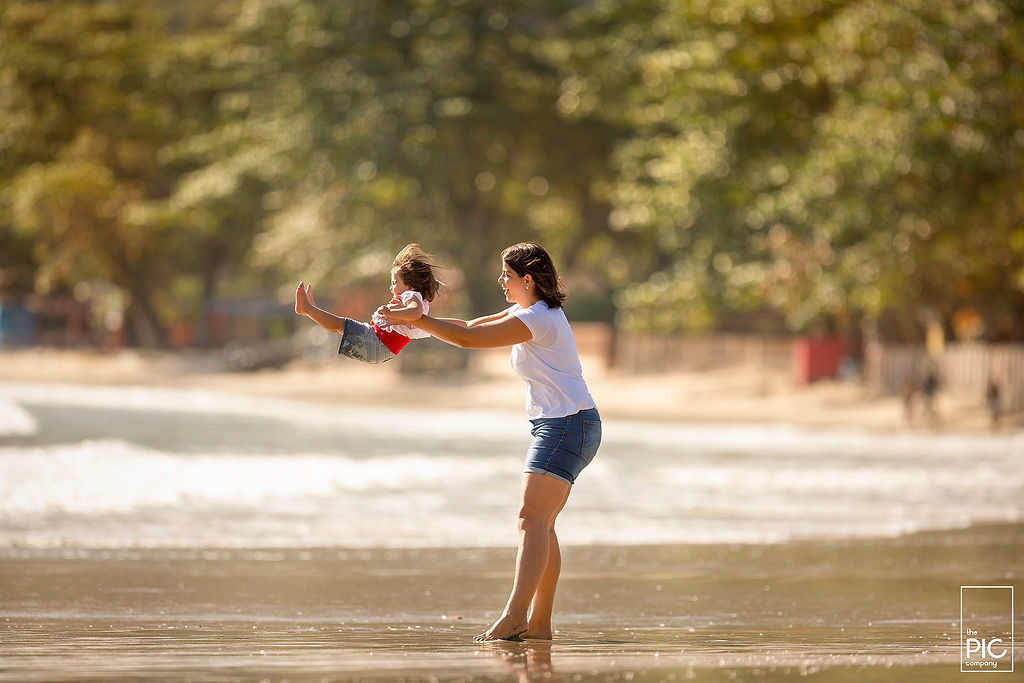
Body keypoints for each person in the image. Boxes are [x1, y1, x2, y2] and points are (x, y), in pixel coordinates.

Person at [379, 241, 601, 642]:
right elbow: (468, 328)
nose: (501, 281)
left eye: (507, 276)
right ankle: (539, 625)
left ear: (528, 280)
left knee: (529, 519)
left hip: (567, 425)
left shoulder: (539, 318)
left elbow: (469, 343)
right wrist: (419, 320)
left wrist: (422, 321)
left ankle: (516, 616)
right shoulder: (531, 311)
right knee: (541, 524)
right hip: (568, 424)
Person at [294, 244, 442, 364]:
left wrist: (391, 314)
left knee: (340, 325)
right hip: (379, 346)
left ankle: (308, 309)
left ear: (409, 285)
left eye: (394, 283)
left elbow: (415, 312)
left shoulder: (411, 295)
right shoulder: (412, 297)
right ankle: (310, 310)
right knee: (340, 327)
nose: (391, 287)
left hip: (378, 344)